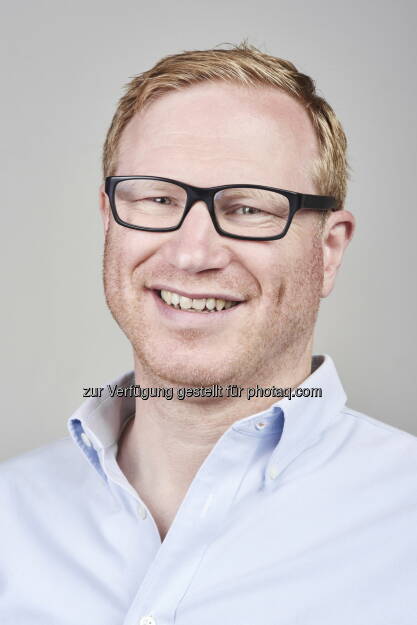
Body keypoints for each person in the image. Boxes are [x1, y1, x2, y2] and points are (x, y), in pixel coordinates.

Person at [1, 42, 416, 625]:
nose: (193, 253)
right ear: (108, 220)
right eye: (157, 199)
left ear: (328, 249)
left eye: (249, 208)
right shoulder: (10, 516)